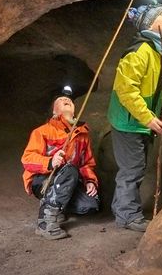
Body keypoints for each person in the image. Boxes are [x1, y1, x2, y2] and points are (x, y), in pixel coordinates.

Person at [107, 2, 162, 232]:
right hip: (128, 122)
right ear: (149, 23)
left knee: (135, 166)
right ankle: (128, 215)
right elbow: (126, 89)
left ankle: (122, 210)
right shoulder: (140, 51)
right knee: (133, 168)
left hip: (137, 122)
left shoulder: (156, 51)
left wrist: (160, 112)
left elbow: (153, 88)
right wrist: (147, 117)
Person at [21, 86, 99, 240]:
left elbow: (86, 163)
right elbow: (27, 159)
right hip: (43, 181)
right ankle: (46, 221)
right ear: (54, 112)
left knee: (90, 205)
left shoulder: (82, 135)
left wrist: (90, 181)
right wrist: (50, 162)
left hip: (68, 181)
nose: (66, 100)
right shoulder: (42, 131)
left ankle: (58, 206)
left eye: (69, 100)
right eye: (61, 100)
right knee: (70, 170)